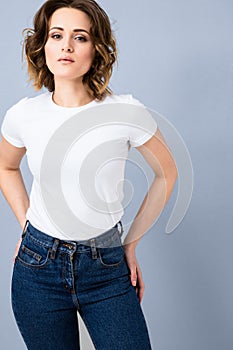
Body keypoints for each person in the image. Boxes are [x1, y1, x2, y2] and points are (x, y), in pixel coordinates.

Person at [0, 0, 178, 349]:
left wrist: (131, 243)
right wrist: (26, 225)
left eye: (80, 37)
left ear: (97, 50)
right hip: (38, 268)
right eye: (56, 35)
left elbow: (167, 173)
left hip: (106, 268)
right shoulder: (24, 115)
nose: (66, 45)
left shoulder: (125, 110)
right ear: (42, 45)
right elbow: (6, 167)